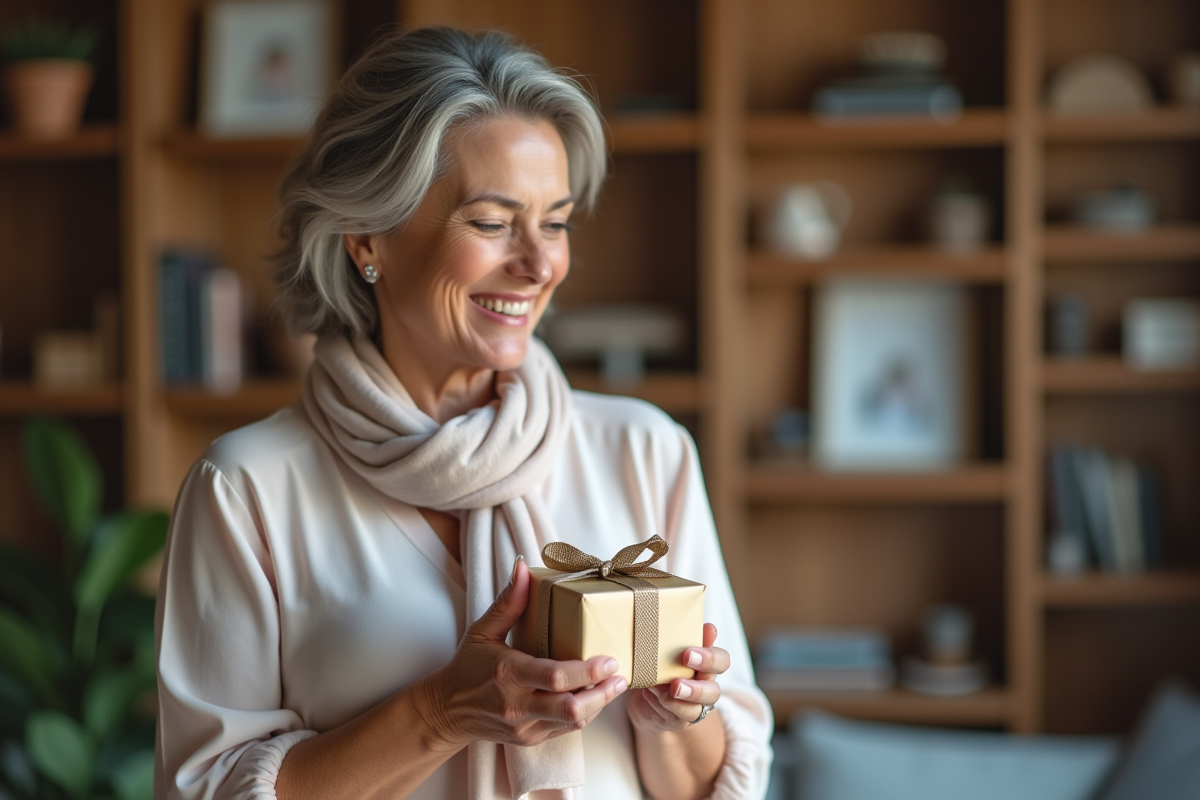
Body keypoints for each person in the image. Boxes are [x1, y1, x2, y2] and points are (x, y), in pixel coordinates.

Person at [154, 27, 772, 800]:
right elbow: (201, 792)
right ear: (366, 235)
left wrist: (675, 715)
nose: (540, 264)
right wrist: (441, 712)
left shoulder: (645, 451)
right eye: (490, 222)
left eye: (556, 222)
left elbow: (718, 786)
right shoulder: (247, 488)